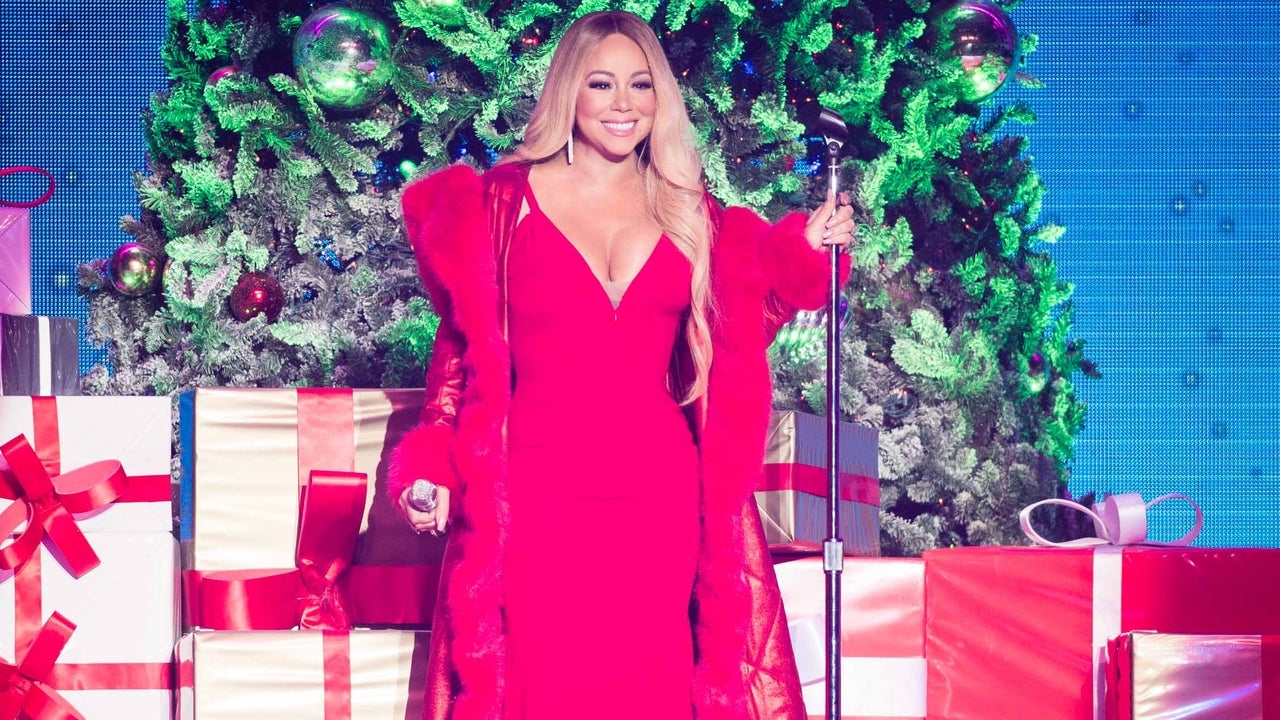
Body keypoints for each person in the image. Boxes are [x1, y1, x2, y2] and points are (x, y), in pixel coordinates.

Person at [388, 10, 855, 720]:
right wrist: (431, 469)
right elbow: (460, 353)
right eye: (601, 83)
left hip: (658, 495)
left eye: (641, 85)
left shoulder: (691, 210)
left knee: (654, 687)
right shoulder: (501, 204)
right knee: (541, 687)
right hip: (536, 495)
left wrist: (806, 251)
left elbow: (740, 327)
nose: (623, 103)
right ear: (568, 91)